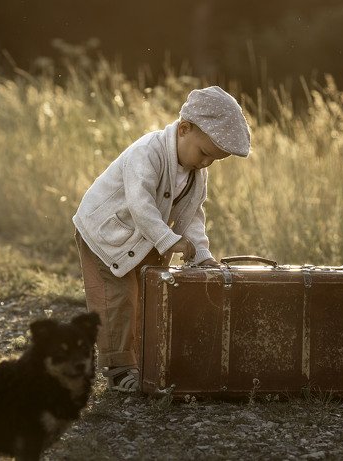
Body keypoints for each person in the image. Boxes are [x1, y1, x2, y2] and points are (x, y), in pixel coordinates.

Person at [73, 85, 251, 392]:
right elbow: (140, 204)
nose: (206, 163)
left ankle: (145, 360)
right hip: (105, 235)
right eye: (204, 153)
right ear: (184, 129)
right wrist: (168, 240)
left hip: (143, 238)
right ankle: (119, 368)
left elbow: (192, 216)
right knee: (117, 298)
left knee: (150, 295)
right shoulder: (147, 152)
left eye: (214, 160)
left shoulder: (196, 173)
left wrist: (201, 253)